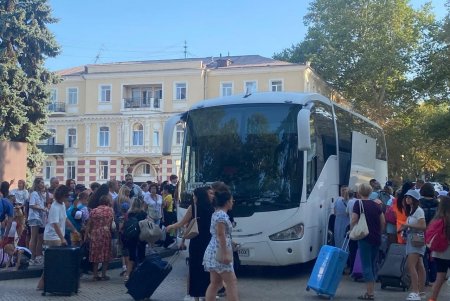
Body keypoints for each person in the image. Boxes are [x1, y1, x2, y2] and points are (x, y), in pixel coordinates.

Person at [167, 186, 215, 301]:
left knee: (195, 269)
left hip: (197, 241)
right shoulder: (212, 208)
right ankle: (206, 294)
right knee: (207, 269)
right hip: (209, 241)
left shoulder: (194, 207)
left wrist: (170, 227)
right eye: (210, 193)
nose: (193, 198)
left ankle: (196, 295)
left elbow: (182, 223)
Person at [37, 185, 79, 290]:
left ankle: (42, 285)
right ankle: (45, 284)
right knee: (54, 262)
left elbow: (65, 219)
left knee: (52, 262)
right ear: (62, 196)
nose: (68, 198)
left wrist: (74, 230)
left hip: (57, 236)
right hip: (52, 237)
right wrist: (62, 238)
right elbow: (55, 224)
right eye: (67, 196)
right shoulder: (55, 207)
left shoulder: (62, 205)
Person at [203, 188, 239, 301]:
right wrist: (225, 253)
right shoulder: (222, 216)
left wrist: (230, 242)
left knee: (215, 283)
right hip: (219, 252)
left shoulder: (216, 214)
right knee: (231, 282)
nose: (233, 202)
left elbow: (220, 234)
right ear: (227, 202)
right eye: (232, 200)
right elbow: (220, 234)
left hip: (213, 251)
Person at [351, 183, 385, 301]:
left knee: (366, 265)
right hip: (376, 238)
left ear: (359, 192)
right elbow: (383, 222)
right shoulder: (376, 205)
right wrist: (379, 232)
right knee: (371, 264)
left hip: (364, 238)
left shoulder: (358, 203)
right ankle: (369, 291)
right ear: (370, 192)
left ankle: (370, 293)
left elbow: (354, 219)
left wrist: (352, 229)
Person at [399, 189, 427, 301]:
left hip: (416, 239)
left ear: (415, 199)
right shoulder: (413, 210)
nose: (407, 199)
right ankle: (420, 291)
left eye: (409, 197)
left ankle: (415, 292)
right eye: (406, 197)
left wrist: (407, 226)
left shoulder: (418, 211)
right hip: (414, 239)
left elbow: (423, 226)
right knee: (419, 266)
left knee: (412, 266)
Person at [86, 194, 114, 281]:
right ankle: (103, 275)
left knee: (96, 254)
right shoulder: (110, 211)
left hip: (95, 233)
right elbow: (112, 223)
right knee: (105, 254)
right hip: (106, 233)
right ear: (107, 202)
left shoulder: (93, 211)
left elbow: (89, 224)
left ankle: (95, 275)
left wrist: (87, 234)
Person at [428, 195, 450, 301]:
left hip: (438, 252)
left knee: (439, 277)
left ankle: (433, 298)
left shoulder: (437, 218)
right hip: (448, 251)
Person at [419, 182, 439, 287]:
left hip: (421, 232)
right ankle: (433, 277)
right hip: (435, 233)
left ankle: (424, 278)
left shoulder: (419, 203)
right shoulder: (438, 203)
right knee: (433, 255)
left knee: (422, 256)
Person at [123, 196, 147, 282]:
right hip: (141, 236)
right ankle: (140, 275)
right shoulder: (143, 213)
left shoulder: (129, 214)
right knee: (141, 255)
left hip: (131, 237)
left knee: (131, 256)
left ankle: (128, 274)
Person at [27, 178, 48, 266]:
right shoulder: (34, 193)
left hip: (41, 217)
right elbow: (32, 205)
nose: (43, 184)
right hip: (35, 217)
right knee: (34, 237)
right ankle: (31, 257)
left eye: (43, 183)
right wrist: (42, 208)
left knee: (40, 237)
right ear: (37, 184)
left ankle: (37, 256)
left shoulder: (41, 194)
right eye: (41, 183)